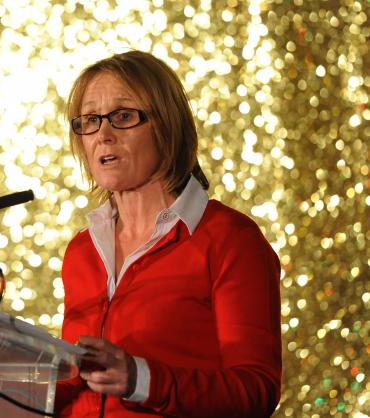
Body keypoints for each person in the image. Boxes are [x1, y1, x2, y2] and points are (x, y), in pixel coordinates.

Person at [56, 50, 282, 417]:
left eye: (123, 117)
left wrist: (140, 379)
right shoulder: (82, 250)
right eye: (90, 121)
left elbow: (255, 390)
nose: (103, 135)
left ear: (166, 125)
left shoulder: (229, 239)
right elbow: (73, 388)